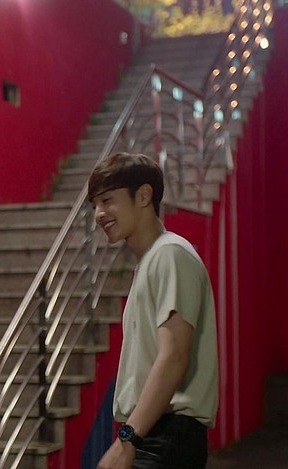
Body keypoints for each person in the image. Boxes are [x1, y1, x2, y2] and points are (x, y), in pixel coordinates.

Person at [88, 153, 218, 469]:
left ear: (144, 196)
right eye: (94, 205)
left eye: (107, 200)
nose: (99, 214)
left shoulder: (170, 254)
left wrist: (127, 439)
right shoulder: (152, 260)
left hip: (164, 437)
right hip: (153, 434)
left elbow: (174, 357)